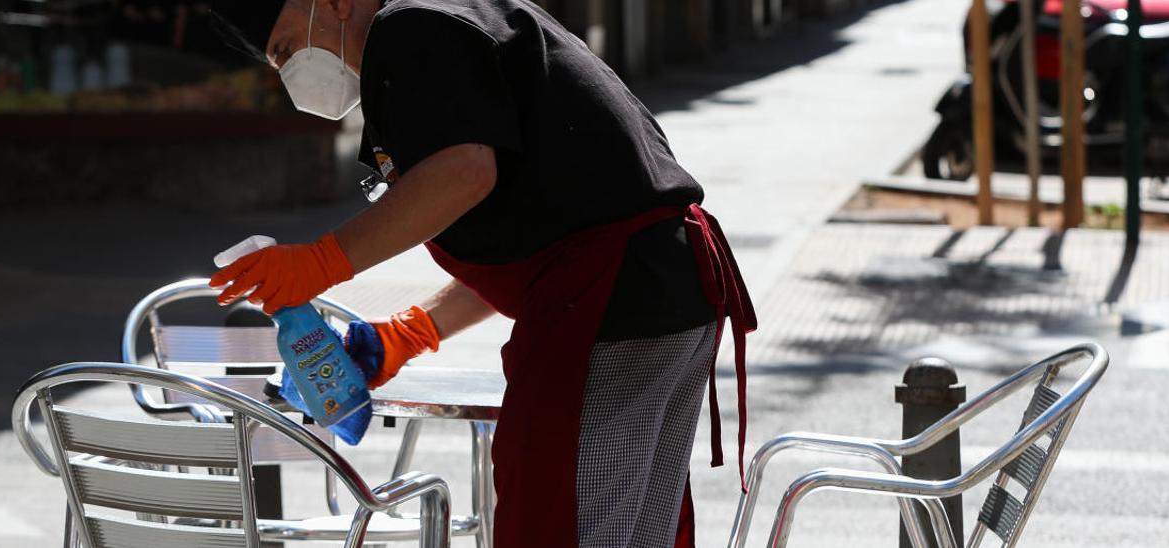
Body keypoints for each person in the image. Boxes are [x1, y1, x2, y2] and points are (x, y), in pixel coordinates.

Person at [205, 1, 756, 546]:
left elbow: (465, 172)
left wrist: (322, 261)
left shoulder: (409, 26)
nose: (287, 72)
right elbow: (542, 232)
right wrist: (411, 332)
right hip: (664, 291)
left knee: (559, 524)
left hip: (614, 302)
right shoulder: (448, 23)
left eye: (282, 48)